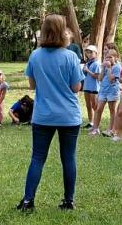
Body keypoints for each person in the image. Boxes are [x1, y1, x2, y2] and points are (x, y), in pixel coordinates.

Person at [17, 14, 85, 212]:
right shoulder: (71, 56)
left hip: (43, 115)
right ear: (63, 32)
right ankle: (68, 201)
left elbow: (32, 85)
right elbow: (76, 87)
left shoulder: (35, 55)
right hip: (68, 115)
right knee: (68, 158)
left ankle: (28, 200)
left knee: (38, 157)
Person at [90, 49, 120, 136]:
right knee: (98, 109)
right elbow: (99, 78)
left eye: (110, 57)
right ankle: (95, 128)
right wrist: (103, 68)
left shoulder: (117, 67)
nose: (108, 59)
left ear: (115, 58)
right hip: (103, 90)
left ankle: (111, 129)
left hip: (112, 91)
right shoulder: (105, 66)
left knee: (112, 110)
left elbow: (111, 79)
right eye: (106, 57)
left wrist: (109, 68)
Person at [82, 45, 101, 128]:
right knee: (88, 105)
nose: (89, 54)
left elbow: (97, 76)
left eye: (91, 52)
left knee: (94, 106)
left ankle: (96, 124)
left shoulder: (97, 64)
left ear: (96, 53)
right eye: (87, 52)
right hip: (87, 86)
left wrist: (87, 70)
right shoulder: (88, 63)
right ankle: (91, 122)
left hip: (94, 87)